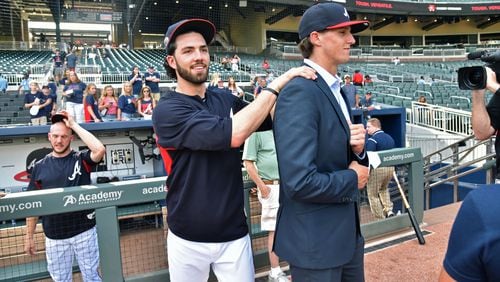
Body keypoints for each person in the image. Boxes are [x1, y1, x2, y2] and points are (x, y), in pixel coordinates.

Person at [152, 18, 316, 282]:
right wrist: (280, 81)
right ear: (172, 61)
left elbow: (269, 117)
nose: (199, 56)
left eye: (203, 49)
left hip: (233, 231)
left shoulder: (224, 98)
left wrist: (300, 88)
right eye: (188, 51)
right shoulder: (167, 110)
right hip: (187, 235)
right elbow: (234, 134)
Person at [272, 3, 370, 281]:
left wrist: (358, 152)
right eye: (342, 33)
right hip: (315, 244)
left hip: (346, 237)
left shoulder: (335, 88)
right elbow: (299, 181)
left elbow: (340, 157)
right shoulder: (300, 92)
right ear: (315, 38)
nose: (351, 40)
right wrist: (353, 177)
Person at [24, 111, 105, 282]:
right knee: (61, 280)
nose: (59, 140)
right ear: (49, 137)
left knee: (92, 277)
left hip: (84, 231)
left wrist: (74, 125)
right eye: (55, 136)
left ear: (71, 138)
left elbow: (99, 149)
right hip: (55, 236)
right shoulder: (39, 166)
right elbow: (32, 204)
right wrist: (29, 236)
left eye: (64, 136)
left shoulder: (80, 159)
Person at [242, 128, 288, 282]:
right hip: (271, 187)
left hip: (288, 186)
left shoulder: (283, 128)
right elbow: (248, 163)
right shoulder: (256, 131)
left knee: (293, 226)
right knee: (274, 231)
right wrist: (262, 187)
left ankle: (294, 264)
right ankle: (275, 272)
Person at [365, 118, 396, 220]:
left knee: (372, 195)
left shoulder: (372, 139)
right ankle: (389, 210)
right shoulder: (389, 137)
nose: (366, 129)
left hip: (378, 169)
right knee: (384, 189)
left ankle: (380, 219)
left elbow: (368, 157)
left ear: (375, 126)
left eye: (368, 127)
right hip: (390, 168)